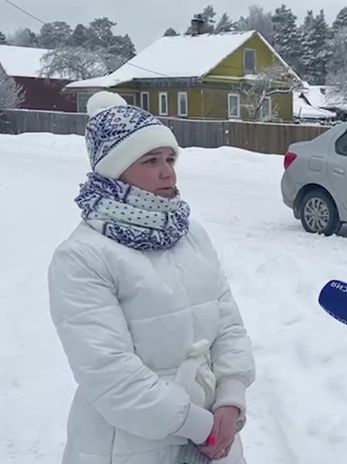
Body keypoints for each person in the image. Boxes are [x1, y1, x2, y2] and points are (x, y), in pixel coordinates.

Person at [48, 91, 256, 464]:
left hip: (215, 440)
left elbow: (228, 325)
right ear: (114, 170)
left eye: (169, 159)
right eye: (150, 160)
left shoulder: (190, 235)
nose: (167, 172)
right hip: (130, 446)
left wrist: (231, 398)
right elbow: (109, 373)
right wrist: (199, 425)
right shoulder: (81, 256)